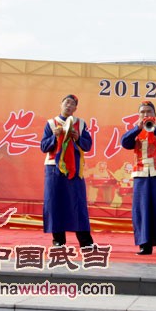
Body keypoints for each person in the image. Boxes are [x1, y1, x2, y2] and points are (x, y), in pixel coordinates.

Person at [121, 100, 156, 256]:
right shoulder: (135, 132)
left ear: (155, 115)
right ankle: (144, 244)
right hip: (141, 175)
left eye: (149, 112)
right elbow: (124, 142)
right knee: (142, 211)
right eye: (142, 112)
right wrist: (137, 128)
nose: (146, 114)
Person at [41, 94, 94, 248]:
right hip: (54, 168)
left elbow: (87, 145)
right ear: (61, 104)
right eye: (67, 102)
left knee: (78, 202)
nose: (69, 106)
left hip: (74, 168)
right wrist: (54, 137)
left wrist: (78, 138)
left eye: (73, 104)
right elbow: (44, 147)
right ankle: (58, 240)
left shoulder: (81, 124)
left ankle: (85, 241)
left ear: (76, 108)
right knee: (55, 203)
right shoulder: (51, 124)